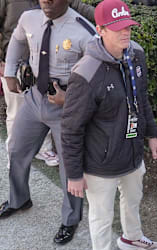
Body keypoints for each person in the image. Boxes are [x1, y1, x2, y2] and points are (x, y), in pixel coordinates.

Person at [61, 0, 157, 250]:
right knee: (101, 217)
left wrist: (152, 136)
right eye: (117, 29)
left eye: (128, 27)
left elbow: (141, 98)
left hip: (131, 153)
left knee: (133, 199)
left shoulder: (137, 55)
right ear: (100, 29)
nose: (125, 34)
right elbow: (71, 128)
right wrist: (74, 174)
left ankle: (132, 238)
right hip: (99, 164)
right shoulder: (86, 73)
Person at [0, 0, 95, 244]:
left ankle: (71, 219)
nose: (47, 1)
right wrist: (10, 71)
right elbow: (18, 40)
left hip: (65, 107)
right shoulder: (29, 18)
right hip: (34, 98)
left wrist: (72, 98)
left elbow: (98, 77)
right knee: (17, 149)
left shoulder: (84, 31)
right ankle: (19, 199)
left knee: (69, 165)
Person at [0, 0, 95, 167]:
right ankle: (15, 158)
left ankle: (43, 149)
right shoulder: (20, 10)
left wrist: (110, 17)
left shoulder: (79, 26)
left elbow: (80, 7)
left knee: (68, 160)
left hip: (55, 86)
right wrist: (8, 69)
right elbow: (15, 38)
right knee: (16, 120)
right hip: (23, 77)